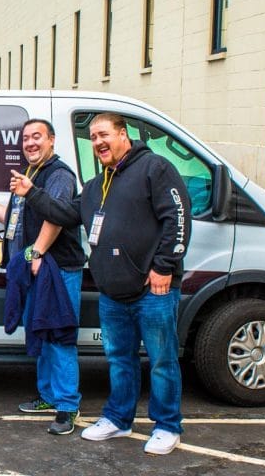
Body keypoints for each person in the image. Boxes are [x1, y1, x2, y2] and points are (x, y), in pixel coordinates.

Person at [77, 113, 191, 455]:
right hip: (113, 294)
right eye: (93, 137)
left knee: (161, 360)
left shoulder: (154, 168)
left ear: (123, 135)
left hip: (153, 290)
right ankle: (118, 419)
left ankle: (168, 425)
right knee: (119, 360)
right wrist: (31, 193)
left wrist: (163, 266)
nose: (98, 142)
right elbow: (68, 212)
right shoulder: (98, 185)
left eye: (103, 134)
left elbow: (178, 216)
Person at [0, 119, 86, 436]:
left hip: (56, 269)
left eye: (37, 137)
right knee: (42, 334)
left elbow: (56, 215)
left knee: (58, 336)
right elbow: (13, 220)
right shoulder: (29, 174)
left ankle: (67, 406)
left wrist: (37, 253)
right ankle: (47, 396)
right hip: (37, 267)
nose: (31, 143)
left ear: (52, 141)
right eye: (26, 138)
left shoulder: (58, 174)